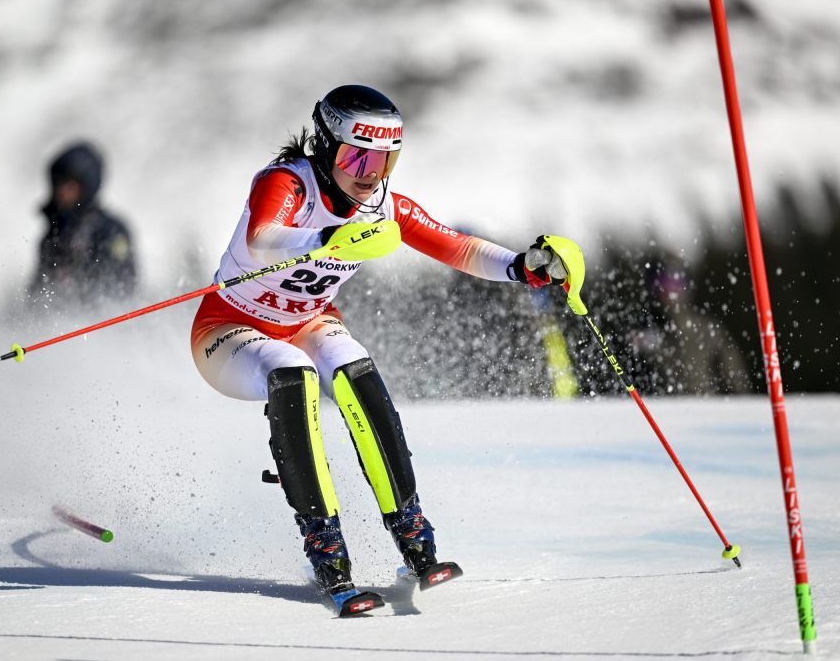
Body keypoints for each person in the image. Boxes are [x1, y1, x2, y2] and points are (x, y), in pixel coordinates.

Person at [190, 85, 573, 599]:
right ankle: (326, 548)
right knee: (293, 372)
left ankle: (412, 533)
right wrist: (326, 240)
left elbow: (454, 246)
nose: (368, 172)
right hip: (229, 328)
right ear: (325, 146)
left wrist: (521, 268)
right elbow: (262, 238)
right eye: (355, 155)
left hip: (307, 320)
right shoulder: (287, 183)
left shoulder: (381, 204)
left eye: (384, 159)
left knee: (352, 365)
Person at [29, 141, 136, 307]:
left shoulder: (110, 232)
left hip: (102, 324)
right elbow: (37, 294)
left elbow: (122, 288)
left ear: (87, 186)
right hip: (59, 323)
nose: (62, 192)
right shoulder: (53, 235)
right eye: (58, 184)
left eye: (70, 185)